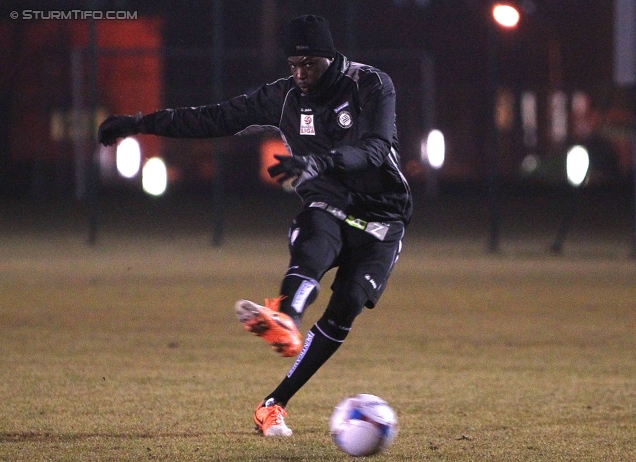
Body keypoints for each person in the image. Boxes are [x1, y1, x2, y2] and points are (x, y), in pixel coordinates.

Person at [98, 14, 412, 437]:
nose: (301, 75)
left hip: (384, 214)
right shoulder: (281, 96)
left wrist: (321, 161)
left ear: (329, 58)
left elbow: (375, 148)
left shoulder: (370, 84)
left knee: (348, 306)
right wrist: (139, 123)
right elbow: (213, 118)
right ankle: (287, 315)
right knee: (316, 234)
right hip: (329, 202)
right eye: (293, 65)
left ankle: (273, 403)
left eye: (309, 65)